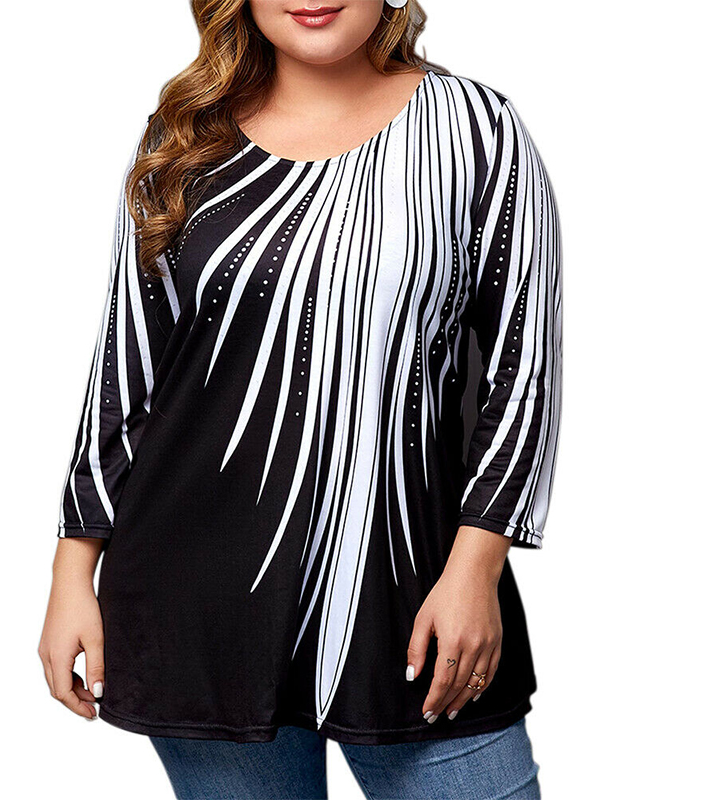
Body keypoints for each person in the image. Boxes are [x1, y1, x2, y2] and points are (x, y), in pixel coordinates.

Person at [38, 1, 563, 797]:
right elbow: (126, 373)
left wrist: (476, 569)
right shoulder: (184, 140)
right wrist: (72, 571)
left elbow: (524, 369)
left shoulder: (475, 130)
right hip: (200, 605)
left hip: (410, 591)